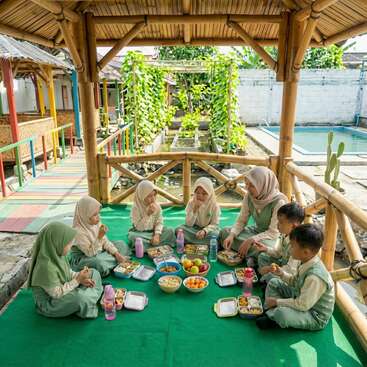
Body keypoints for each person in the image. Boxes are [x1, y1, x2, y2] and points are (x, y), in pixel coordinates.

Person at [257, 224, 335, 330]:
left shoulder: (315, 277)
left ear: (306, 252)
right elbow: (295, 281)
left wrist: (277, 301)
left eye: (292, 246)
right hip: (300, 296)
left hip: (313, 314)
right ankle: (272, 313)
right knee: (274, 282)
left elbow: (303, 305)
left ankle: (274, 316)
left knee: (282, 313)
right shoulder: (305, 260)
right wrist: (282, 274)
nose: (290, 250)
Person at [28, 221, 103, 319]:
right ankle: (89, 298)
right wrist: (78, 280)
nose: (71, 247)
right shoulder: (45, 267)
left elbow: (67, 272)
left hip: (65, 288)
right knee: (79, 299)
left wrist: (81, 277)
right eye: (68, 244)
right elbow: (57, 294)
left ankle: (88, 299)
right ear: (56, 243)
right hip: (51, 303)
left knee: (94, 272)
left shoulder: (57, 254)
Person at [219, 166, 287, 264]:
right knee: (225, 232)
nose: (247, 188)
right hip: (255, 231)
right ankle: (249, 256)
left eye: (252, 185)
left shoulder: (279, 202)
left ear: (263, 185)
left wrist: (251, 240)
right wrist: (232, 235)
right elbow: (241, 221)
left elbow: (273, 232)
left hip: (270, 238)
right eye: (246, 184)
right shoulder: (249, 196)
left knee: (265, 250)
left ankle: (246, 254)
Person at [69, 195, 130, 277]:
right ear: (85, 215)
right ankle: (112, 264)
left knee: (121, 244)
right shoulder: (78, 232)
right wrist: (99, 237)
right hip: (84, 258)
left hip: (99, 251)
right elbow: (90, 254)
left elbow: (105, 241)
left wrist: (116, 254)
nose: (98, 217)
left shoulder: (96, 223)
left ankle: (114, 261)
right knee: (98, 263)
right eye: (94, 215)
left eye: (98, 213)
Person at [256, 202, 304, 282]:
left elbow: (290, 270)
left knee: (270, 277)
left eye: (281, 222)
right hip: (282, 265)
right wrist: (265, 249)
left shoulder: (297, 244)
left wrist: (270, 269)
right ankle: (264, 278)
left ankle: (266, 280)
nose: (277, 225)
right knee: (262, 256)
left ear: (294, 226)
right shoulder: (284, 235)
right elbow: (278, 253)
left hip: (290, 276)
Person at [128, 180, 176, 250]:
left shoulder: (157, 206)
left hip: (154, 232)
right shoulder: (135, 208)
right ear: (142, 196)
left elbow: (159, 222)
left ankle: (147, 247)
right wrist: (147, 214)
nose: (153, 198)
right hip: (141, 233)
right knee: (133, 237)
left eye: (154, 195)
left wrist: (157, 235)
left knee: (170, 231)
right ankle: (156, 245)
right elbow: (139, 228)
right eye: (149, 196)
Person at [177, 177, 220, 245]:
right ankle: (202, 243)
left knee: (215, 235)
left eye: (204, 193)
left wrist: (205, 231)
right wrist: (195, 208)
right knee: (179, 229)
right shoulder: (191, 203)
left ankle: (191, 242)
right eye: (197, 193)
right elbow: (188, 224)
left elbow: (214, 224)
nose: (200, 196)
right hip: (193, 229)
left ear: (210, 193)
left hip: (207, 231)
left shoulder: (214, 205)